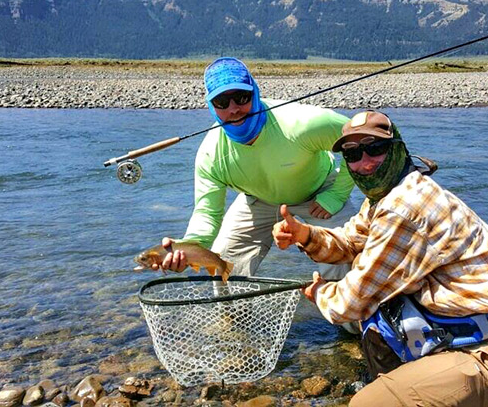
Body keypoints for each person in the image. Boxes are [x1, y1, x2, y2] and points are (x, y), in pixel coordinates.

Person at [272, 110, 488, 406]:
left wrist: (319, 293)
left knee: (365, 404)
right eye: (353, 154)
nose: (365, 163)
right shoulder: (389, 195)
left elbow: (350, 302)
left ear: (397, 149)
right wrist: (305, 235)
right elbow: (350, 241)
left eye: (375, 148)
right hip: (473, 332)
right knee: (380, 316)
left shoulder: (403, 207)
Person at [152, 57, 358, 330]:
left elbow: (365, 140)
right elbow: (207, 214)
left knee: (344, 256)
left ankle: (355, 332)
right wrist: (187, 248)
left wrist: (337, 194)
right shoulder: (211, 155)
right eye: (222, 103)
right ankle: (235, 333)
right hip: (258, 199)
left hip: (320, 193)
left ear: (255, 91)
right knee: (222, 262)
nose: (234, 109)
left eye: (241, 97)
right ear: (211, 107)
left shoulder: (302, 123)